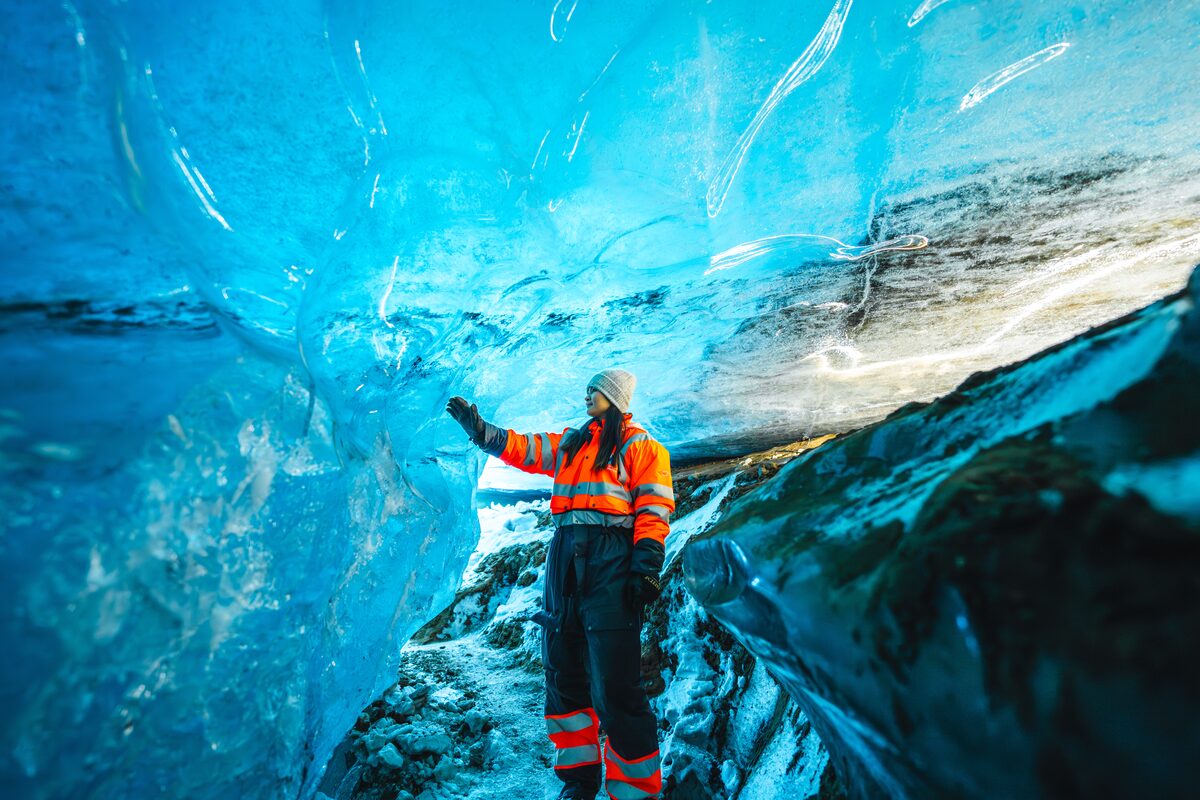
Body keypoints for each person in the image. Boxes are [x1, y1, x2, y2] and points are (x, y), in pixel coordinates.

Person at [446, 368, 674, 800]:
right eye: (588, 388)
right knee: (564, 673)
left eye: (597, 390)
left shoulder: (642, 446)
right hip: (564, 559)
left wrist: (645, 567)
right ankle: (578, 782)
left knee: (615, 684)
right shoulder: (572, 441)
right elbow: (527, 449)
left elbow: (654, 507)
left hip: (611, 559)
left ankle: (635, 793)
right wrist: (482, 432)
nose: (588, 395)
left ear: (616, 398)